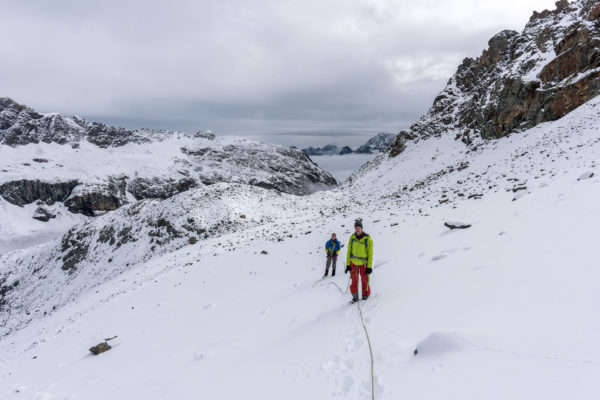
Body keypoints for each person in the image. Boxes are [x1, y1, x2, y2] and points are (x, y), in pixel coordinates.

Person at [345, 219, 373, 302]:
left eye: (359, 227)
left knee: (364, 279)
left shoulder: (367, 238)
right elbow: (349, 251)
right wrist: (348, 264)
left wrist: (369, 266)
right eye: (356, 227)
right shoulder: (352, 237)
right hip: (353, 263)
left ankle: (365, 295)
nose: (357, 229)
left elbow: (370, 254)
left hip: (364, 263)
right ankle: (355, 297)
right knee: (354, 280)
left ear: (361, 228)